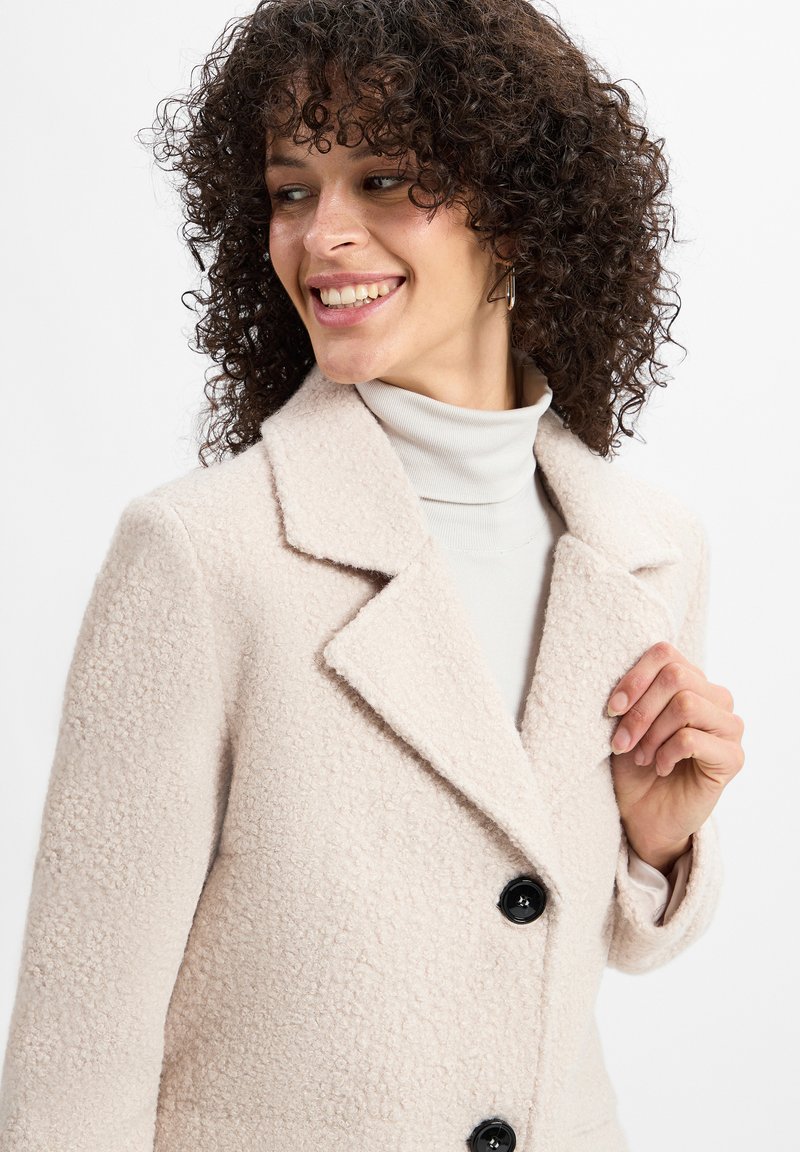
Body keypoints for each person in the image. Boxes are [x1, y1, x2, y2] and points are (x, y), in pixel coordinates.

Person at [0, 1, 745, 1149]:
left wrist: (652, 842)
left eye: (385, 181)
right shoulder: (201, 554)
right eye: (291, 191)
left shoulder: (646, 545)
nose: (321, 236)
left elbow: (571, 947)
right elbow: (76, 1060)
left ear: (522, 208)